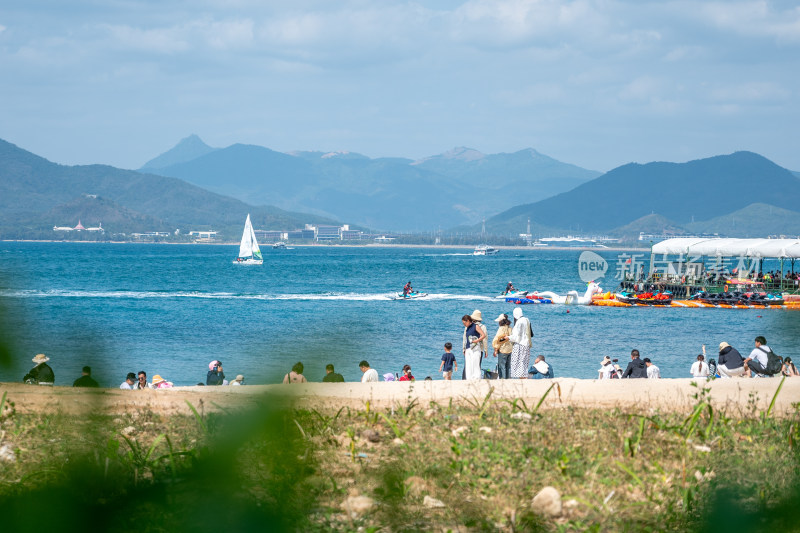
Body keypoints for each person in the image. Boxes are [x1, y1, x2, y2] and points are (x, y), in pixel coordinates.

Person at [508, 307, 533, 379]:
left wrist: (508, 337)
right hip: (526, 344)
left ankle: (521, 378)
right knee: (524, 363)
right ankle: (524, 377)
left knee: (518, 363)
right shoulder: (526, 319)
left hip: (519, 345)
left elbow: (516, 336)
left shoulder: (519, 322)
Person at [461, 314, 486, 380]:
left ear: (468, 321)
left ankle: (477, 378)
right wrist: (464, 349)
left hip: (475, 348)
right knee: (468, 364)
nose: (464, 324)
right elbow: (465, 339)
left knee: (475, 363)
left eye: (464, 323)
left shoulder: (476, 326)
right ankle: (469, 378)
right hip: (468, 347)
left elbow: (483, 335)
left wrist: (477, 340)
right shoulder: (467, 328)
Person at [492, 313, 513, 379]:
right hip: (510, 349)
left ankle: (503, 379)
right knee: (508, 366)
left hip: (503, 350)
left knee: (502, 367)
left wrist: (495, 349)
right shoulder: (510, 328)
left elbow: (497, 340)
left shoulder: (501, 329)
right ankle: (508, 379)